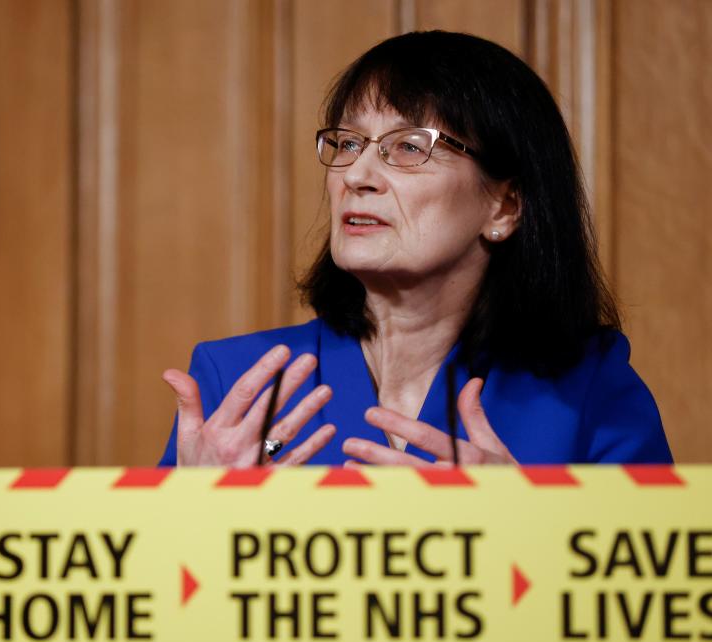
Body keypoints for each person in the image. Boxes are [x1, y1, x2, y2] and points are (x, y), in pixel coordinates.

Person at [158, 31, 672, 468]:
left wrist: (529, 524)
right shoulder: (236, 380)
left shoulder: (588, 389)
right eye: (350, 144)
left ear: (505, 207)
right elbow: (154, 579)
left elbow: (654, 581)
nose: (356, 175)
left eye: (408, 146)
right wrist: (196, 514)